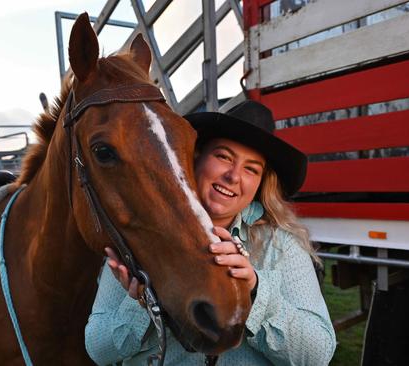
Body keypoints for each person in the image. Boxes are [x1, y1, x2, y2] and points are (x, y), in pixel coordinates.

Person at [84, 101, 336, 365]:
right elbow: (98, 349)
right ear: (196, 158)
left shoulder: (281, 245)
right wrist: (144, 304)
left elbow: (318, 354)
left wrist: (253, 292)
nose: (233, 176)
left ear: (260, 183)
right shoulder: (143, 235)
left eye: (251, 169)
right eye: (224, 156)